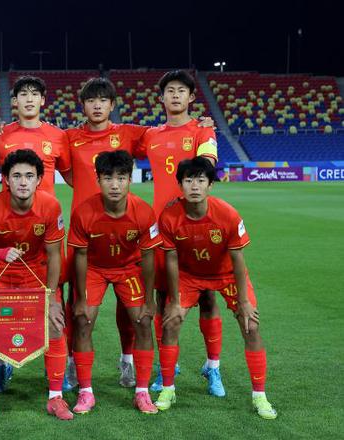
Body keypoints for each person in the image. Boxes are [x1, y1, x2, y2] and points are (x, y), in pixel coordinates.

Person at [155, 157, 277, 420]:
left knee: (251, 325)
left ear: (210, 185)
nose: (194, 186)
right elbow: (171, 260)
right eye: (188, 180)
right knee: (171, 322)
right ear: (180, 185)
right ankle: (168, 389)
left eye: (201, 180)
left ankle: (260, 396)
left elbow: (238, 259)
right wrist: (174, 300)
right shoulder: (169, 216)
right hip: (189, 275)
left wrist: (244, 302)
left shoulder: (227, 214)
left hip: (226, 275)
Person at [0, 75, 72, 393]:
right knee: (2, 313)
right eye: (23, 94)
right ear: (14, 101)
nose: (29, 99)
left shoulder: (58, 136)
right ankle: (1, 365)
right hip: (7, 232)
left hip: (45, 232)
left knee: (54, 309)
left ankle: (58, 375)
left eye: (35, 94)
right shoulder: (0, 135)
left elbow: (76, 177)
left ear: (43, 100)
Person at [0, 149, 73, 420]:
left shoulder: (50, 206)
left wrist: (52, 297)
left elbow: (54, 255)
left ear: (39, 180)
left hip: (36, 275)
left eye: (29, 176)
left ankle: (55, 398)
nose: (23, 182)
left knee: (55, 325)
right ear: (6, 180)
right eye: (16, 176)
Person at [135, 70, 222, 394]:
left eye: (181, 90)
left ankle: (213, 366)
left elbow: (207, 166)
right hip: (161, 227)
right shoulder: (150, 135)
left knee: (207, 296)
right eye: (169, 90)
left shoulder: (202, 130)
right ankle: (166, 367)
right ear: (161, 98)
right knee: (163, 298)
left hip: (197, 225)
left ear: (191, 97)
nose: (175, 95)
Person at [69, 150, 161, 415]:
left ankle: (142, 392)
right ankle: (86, 392)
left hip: (128, 269)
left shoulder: (143, 212)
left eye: (121, 178)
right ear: (98, 180)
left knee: (143, 322)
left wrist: (149, 300)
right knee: (83, 321)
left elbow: (148, 257)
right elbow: (80, 256)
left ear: (130, 179)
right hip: (94, 270)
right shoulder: (84, 212)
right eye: (108, 178)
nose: (115, 184)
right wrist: (80, 299)